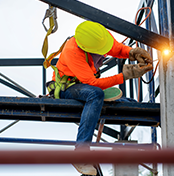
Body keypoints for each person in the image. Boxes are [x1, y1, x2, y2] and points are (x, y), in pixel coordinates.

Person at [46, 21, 152, 175]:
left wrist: (132, 52)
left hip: (85, 85)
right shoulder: (72, 51)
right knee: (95, 94)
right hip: (67, 88)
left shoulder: (100, 37)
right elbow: (92, 83)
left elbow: (116, 48)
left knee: (127, 103)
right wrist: (124, 76)